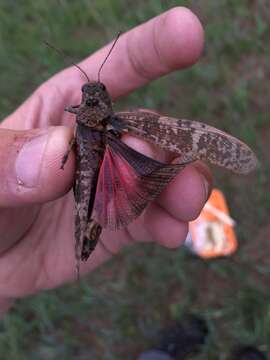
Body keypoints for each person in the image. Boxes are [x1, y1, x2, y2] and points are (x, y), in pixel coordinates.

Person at [0, 7, 212, 317]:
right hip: (83, 175)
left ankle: (87, 235)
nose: (94, 95)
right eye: (89, 94)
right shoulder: (78, 116)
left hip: (106, 165)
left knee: (144, 152)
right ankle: (82, 238)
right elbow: (73, 133)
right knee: (84, 198)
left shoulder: (109, 117)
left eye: (99, 93)